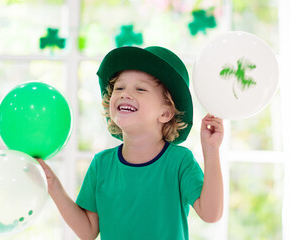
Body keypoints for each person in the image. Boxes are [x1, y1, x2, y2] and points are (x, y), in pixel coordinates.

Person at [37, 46, 224, 240]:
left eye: (140, 89)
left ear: (166, 113)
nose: (125, 94)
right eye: (119, 88)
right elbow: (88, 231)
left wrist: (211, 150)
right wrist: (55, 188)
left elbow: (211, 214)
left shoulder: (179, 161)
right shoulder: (101, 164)